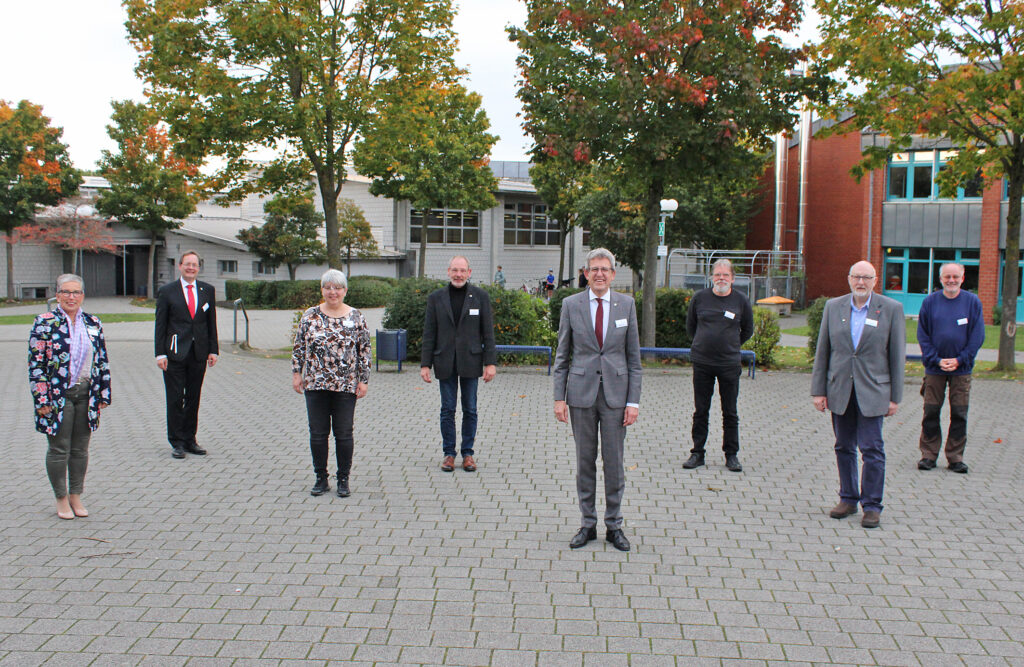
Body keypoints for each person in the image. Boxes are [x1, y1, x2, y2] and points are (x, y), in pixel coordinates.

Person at [553, 248, 642, 552]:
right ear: (586, 273)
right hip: (581, 395)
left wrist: (634, 402)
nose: (600, 274)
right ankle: (587, 523)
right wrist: (559, 399)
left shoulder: (626, 305)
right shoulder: (571, 305)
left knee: (614, 464)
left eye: (605, 269)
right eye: (594, 269)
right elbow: (562, 356)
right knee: (584, 462)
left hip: (617, 397)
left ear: (613, 274)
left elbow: (634, 360)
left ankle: (614, 525)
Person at [811, 261, 905, 529]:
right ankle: (848, 498)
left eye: (866, 278)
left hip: (874, 391)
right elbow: (823, 352)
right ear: (849, 279)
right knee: (843, 446)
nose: (861, 282)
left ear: (875, 280)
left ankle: (872, 506)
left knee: (872, 449)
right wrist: (819, 390)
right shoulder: (833, 307)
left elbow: (897, 355)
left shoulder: (891, 309)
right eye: (856, 277)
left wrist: (894, 397)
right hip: (840, 389)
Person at [28, 274, 111, 520]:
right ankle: (61, 497)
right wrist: (41, 400)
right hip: (56, 396)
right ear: (57, 295)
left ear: (83, 295)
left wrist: (104, 393)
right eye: (65, 292)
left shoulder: (93, 322)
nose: (71, 297)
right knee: (59, 449)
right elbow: (36, 365)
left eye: (76, 292)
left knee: (80, 449)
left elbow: (102, 360)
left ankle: (76, 494)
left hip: (86, 394)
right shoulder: (44, 322)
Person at [292, 269, 371, 497]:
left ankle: (343, 479)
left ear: (345, 290)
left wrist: (363, 380)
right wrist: (297, 373)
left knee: (344, 433)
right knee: (317, 433)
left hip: (346, 385)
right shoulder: (310, 315)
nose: (332, 292)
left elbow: (365, 350)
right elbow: (299, 347)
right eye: (328, 287)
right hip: (315, 384)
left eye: (337, 288)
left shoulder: (356, 316)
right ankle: (321, 478)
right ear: (322, 290)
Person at [421, 256, 497, 472]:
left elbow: (487, 333)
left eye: (462, 270)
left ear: (469, 272)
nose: (458, 274)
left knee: (470, 409)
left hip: (471, 361)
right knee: (447, 409)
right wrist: (425, 364)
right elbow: (429, 333)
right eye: (455, 270)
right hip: (444, 360)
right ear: (448, 271)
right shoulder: (436, 298)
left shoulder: (480, 297)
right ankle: (448, 453)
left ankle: (468, 453)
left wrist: (490, 363)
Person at [683, 259, 754, 472]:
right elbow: (691, 327)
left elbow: (747, 329)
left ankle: (731, 455)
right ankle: (697, 453)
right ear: (711, 277)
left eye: (725, 275)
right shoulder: (700, 298)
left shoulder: (740, 301)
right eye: (717, 274)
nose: (721, 278)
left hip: (729, 364)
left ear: (732, 278)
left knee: (730, 411)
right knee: (701, 410)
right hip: (702, 362)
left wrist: (731, 345)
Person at [916, 263, 984, 474]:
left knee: (959, 413)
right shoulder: (930, 302)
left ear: (963, 278)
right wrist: (936, 360)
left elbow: (977, 336)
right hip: (934, 369)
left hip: (961, 370)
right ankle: (928, 455)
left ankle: (955, 458)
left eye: (955, 276)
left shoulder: (972, 302)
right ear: (941, 278)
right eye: (947, 277)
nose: (951, 280)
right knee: (931, 412)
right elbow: (922, 335)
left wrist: (960, 359)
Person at [155, 250, 219, 459]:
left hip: (198, 352)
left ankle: (190, 439)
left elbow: (211, 323)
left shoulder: (207, 290)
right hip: (174, 353)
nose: (191, 268)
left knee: (193, 398)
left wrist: (213, 349)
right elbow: (160, 324)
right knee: (175, 398)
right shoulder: (168, 291)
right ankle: (177, 442)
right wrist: (160, 354)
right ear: (180, 266)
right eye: (187, 264)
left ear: (198, 268)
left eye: (194, 265)